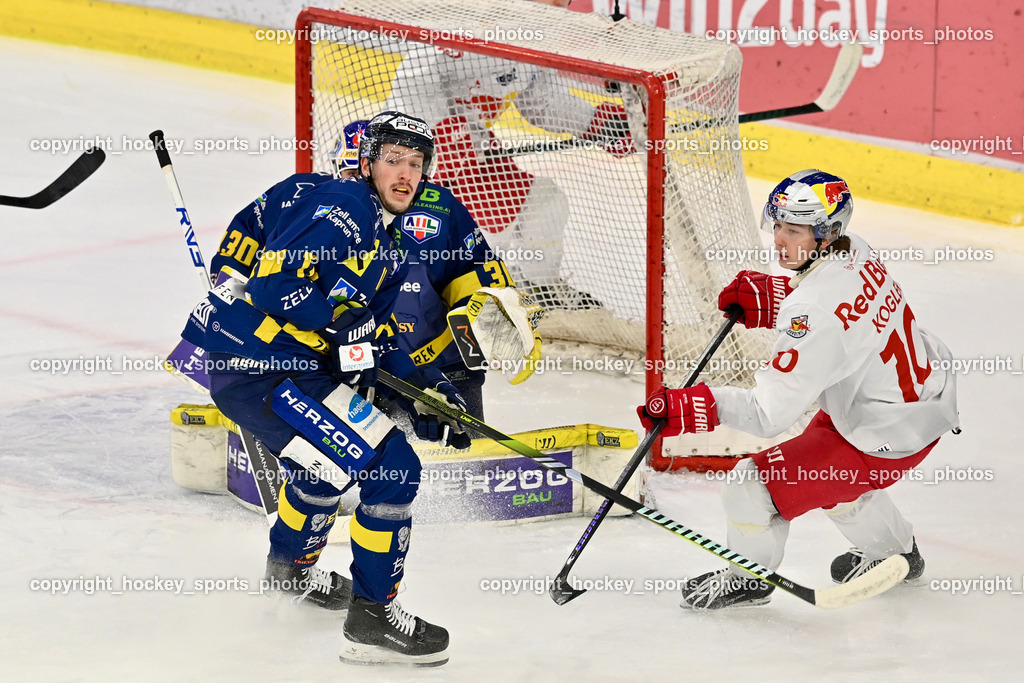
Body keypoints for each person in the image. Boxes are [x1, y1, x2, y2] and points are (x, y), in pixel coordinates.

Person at [183, 111, 469, 666]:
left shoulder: (390, 249)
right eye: (393, 161)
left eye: (416, 164)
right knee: (392, 469)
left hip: (284, 371)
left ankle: (290, 573)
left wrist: (425, 392)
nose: (405, 174)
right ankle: (372, 617)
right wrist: (333, 332)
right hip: (263, 370)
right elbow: (274, 285)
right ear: (368, 164)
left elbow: (374, 342)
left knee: (324, 466)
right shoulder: (345, 207)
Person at [638, 169, 959, 610]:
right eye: (778, 225)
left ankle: (747, 579)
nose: (780, 240)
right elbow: (839, 309)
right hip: (919, 405)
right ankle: (897, 552)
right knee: (833, 483)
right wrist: (779, 296)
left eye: (794, 231)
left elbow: (768, 414)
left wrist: (696, 405)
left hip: (877, 435)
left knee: (748, 487)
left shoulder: (813, 310)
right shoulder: (855, 248)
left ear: (826, 234)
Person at [212, 120, 540, 419]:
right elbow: (245, 244)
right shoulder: (306, 197)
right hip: (346, 363)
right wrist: (232, 308)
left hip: (436, 366)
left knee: (449, 440)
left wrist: (492, 312)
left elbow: (476, 272)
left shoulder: (440, 209)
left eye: (412, 164)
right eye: (350, 177)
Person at [383, 0, 634, 311]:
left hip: (474, 145)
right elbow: (412, 84)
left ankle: (541, 289)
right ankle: (456, 300)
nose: (561, 4)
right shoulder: (472, 19)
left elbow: (540, 101)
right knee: (488, 230)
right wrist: (441, 138)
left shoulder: (536, 33)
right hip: (417, 151)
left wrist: (597, 123)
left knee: (546, 203)